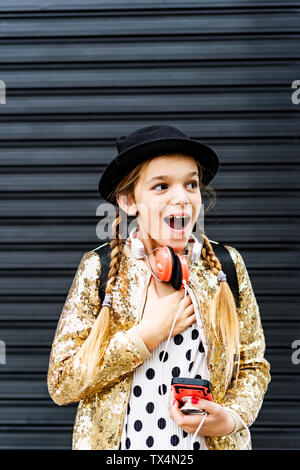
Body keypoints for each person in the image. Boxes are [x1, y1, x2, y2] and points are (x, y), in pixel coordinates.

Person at [47, 124, 271, 450]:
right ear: (127, 200)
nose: (181, 197)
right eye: (161, 186)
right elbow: (61, 383)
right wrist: (146, 335)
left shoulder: (225, 266)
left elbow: (253, 366)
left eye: (191, 184)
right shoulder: (101, 269)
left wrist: (230, 417)